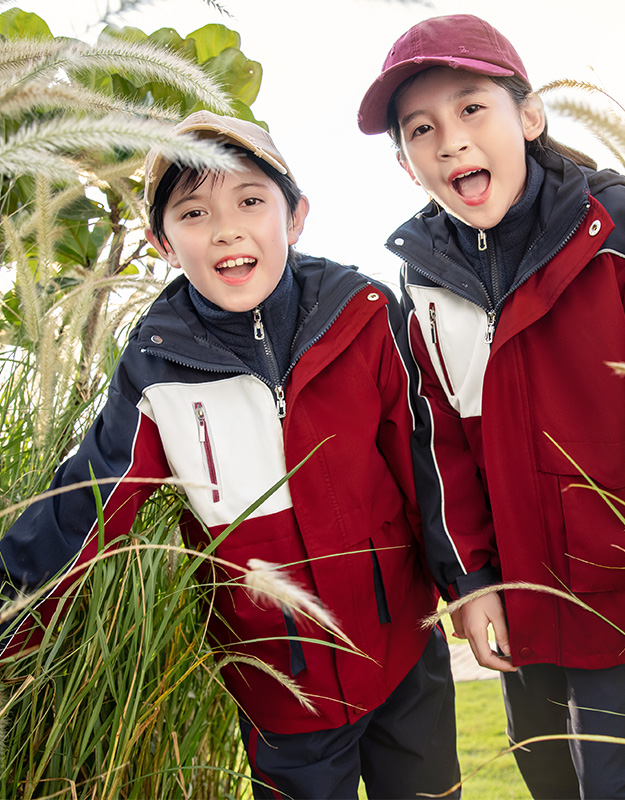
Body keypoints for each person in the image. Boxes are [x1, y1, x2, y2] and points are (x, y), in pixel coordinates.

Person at [358, 13, 625, 800]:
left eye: (470, 109)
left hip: (620, 589)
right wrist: (471, 585)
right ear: (405, 163)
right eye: (421, 128)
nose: (450, 140)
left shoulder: (618, 229)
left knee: (624, 785)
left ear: (528, 117)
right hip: (519, 606)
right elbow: (441, 453)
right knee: (551, 781)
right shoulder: (420, 282)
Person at [0, 111, 460, 800]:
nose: (226, 228)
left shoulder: (363, 314)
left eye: (251, 200)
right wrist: (9, 612)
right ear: (163, 241)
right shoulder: (155, 369)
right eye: (193, 211)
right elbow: (92, 502)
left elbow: (428, 463)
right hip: (279, 686)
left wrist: (474, 582)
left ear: (295, 216)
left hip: (404, 654)